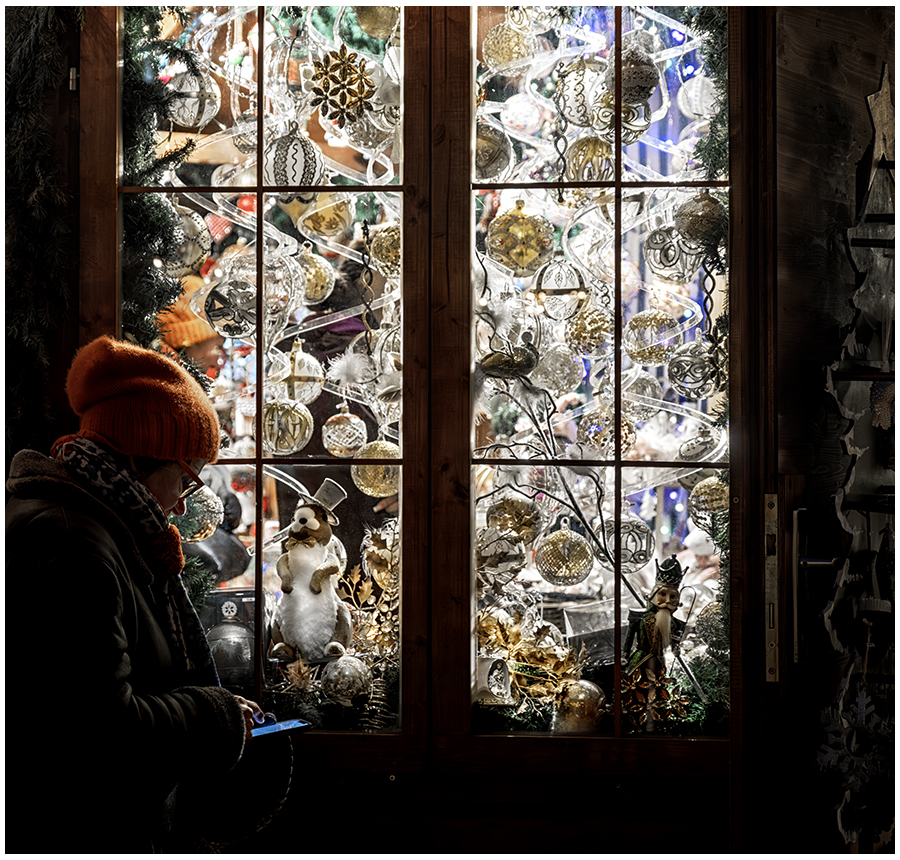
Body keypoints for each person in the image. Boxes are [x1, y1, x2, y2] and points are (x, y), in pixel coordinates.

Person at [6, 336, 263, 853]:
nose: (181, 505)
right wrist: (211, 715)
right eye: (185, 480)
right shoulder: (71, 546)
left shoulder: (93, 526)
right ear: (137, 460)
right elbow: (104, 734)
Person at [157, 274, 226, 377]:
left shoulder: (172, 368)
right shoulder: (165, 374)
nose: (219, 363)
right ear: (191, 340)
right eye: (218, 347)